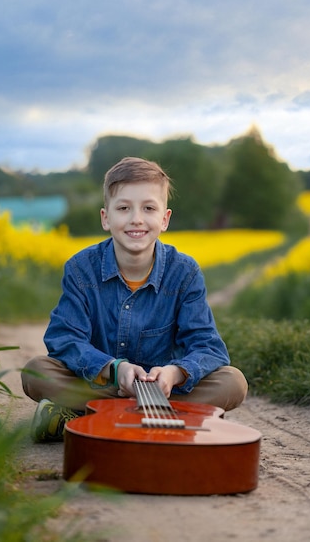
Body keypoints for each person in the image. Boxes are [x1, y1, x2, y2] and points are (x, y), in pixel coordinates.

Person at [21, 157, 248, 442]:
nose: (136, 219)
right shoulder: (81, 268)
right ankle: (166, 416)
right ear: (106, 218)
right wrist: (115, 370)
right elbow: (64, 339)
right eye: (124, 208)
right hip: (103, 384)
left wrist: (174, 374)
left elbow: (209, 347)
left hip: (165, 390)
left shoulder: (185, 272)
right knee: (36, 372)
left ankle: (85, 416)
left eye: (149, 208)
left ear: (164, 219)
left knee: (233, 382)